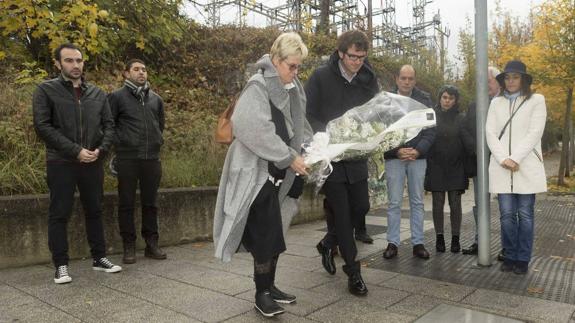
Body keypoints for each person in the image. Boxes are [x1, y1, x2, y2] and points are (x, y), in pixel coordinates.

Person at [213, 32, 312, 317]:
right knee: (267, 235)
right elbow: (253, 129)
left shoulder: (293, 86)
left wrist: (311, 146)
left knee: (278, 231)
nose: (295, 72)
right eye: (291, 66)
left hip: (285, 173)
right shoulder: (257, 86)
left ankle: (271, 286)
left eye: (298, 67)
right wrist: (289, 156)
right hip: (258, 174)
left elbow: (301, 122)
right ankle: (261, 293)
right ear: (276, 60)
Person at [32, 43, 122, 284]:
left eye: (79, 60)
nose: (75, 65)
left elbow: (110, 126)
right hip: (61, 162)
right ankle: (61, 265)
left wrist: (99, 151)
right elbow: (43, 126)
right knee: (59, 213)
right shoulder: (46, 90)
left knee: (94, 210)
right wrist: (75, 151)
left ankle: (99, 258)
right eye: (69, 60)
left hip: (92, 162)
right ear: (58, 63)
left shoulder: (97, 93)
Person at [305, 30, 379, 296]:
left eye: (362, 57)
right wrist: (323, 134)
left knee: (361, 207)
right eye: (352, 56)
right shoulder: (320, 77)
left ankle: (328, 242)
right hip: (331, 158)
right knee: (344, 213)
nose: (357, 62)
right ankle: (354, 272)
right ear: (340, 53)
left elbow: (375, 113)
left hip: (356, 156)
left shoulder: (368, 79)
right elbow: (309, 113)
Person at [486, 60, 546, 275]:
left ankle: (523, 258)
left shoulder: (536, 100)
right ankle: (509, 255)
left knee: (526, 215)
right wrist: (504, 159)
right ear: (503, 81)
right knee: (506, 215)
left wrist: (516, 158)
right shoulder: (496, 103)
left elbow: (535, 132)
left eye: (516, 77)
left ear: (523, 80)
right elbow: (490, 133)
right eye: (508, 77)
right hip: (502, 168)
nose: (511, 81)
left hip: (525, 167)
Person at [109, 59, 167, 264]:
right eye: (136, 69)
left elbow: (160, 124)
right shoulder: (116, 97)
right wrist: (122, 142)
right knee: (126, 203)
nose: (141, 72)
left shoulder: (155, 99)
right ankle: (129, 245)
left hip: (151, 158)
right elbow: (109, 125)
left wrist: (156, 141)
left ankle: (152, 244)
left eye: (144, 69)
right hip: (127, 158)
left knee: (151, 203)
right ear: (126, 73)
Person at [382, 64, 436, 260]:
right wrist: (397, 151)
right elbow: (381, 131)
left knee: (417, 201)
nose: (406, 82)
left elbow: (430, 130)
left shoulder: (424, 99)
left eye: (410, 78)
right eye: (403, 78)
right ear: (397, 79)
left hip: (417, 157)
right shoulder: (386, 101)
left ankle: (418, 243)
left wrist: (417, 150)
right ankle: (392, 243)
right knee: (394, 202)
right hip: (394, 158)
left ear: (415, 80)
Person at [425, 85, 470, 253]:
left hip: (456, 165)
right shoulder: (431, 116)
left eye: (451, 98)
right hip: (436, 165)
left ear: (455, 100)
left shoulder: (461, 118)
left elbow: (466, 140)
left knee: (455, 203)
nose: (447, 101)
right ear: (440, 98)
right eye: (444, 97)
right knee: (437, 203)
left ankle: (456, 239)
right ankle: (440, 238)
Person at [461, 66, 501, 255]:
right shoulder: (474, 105)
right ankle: (480, 241)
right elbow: (466, 129)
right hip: (480, 162)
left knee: (505, 206)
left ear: (497, 81)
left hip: (502, 164)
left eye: (489, 81)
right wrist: (476, 149)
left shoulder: (505, 103)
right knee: (480, 204)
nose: (485, 85)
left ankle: (507, 247)